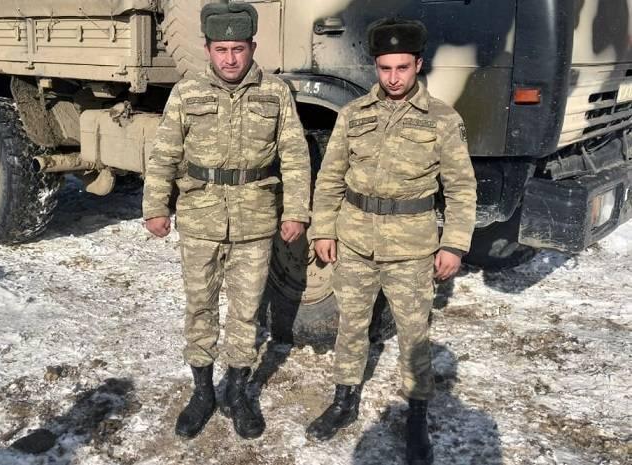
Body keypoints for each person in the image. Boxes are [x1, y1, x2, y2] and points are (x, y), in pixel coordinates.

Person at [305, 17, 477, 465]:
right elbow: (330, 177)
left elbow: (461, 188)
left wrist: (453, 244)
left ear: (418, 64)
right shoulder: (353, 114)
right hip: (356, 239)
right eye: (385, 68)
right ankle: (344, 401)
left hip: (411, 248)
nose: (394, 77)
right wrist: (323, 228)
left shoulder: (442, 119)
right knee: (351, 325)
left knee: (413, 333)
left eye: (402, 67)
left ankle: (416, 418)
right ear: (375, 67)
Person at [142, 3, 310, 440]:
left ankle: (237, 391)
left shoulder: (275, 93)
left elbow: (295, 156)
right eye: (221, 49)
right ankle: (202, 392)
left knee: (245, 311)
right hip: (200, 218)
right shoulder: (186, 93)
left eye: (238, 49)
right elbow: (164, 155)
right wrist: (156, 206)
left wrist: (295, 210)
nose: (230, 58)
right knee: (200, 307)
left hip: (255, 220)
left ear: (252, 47)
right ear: (207, 49)